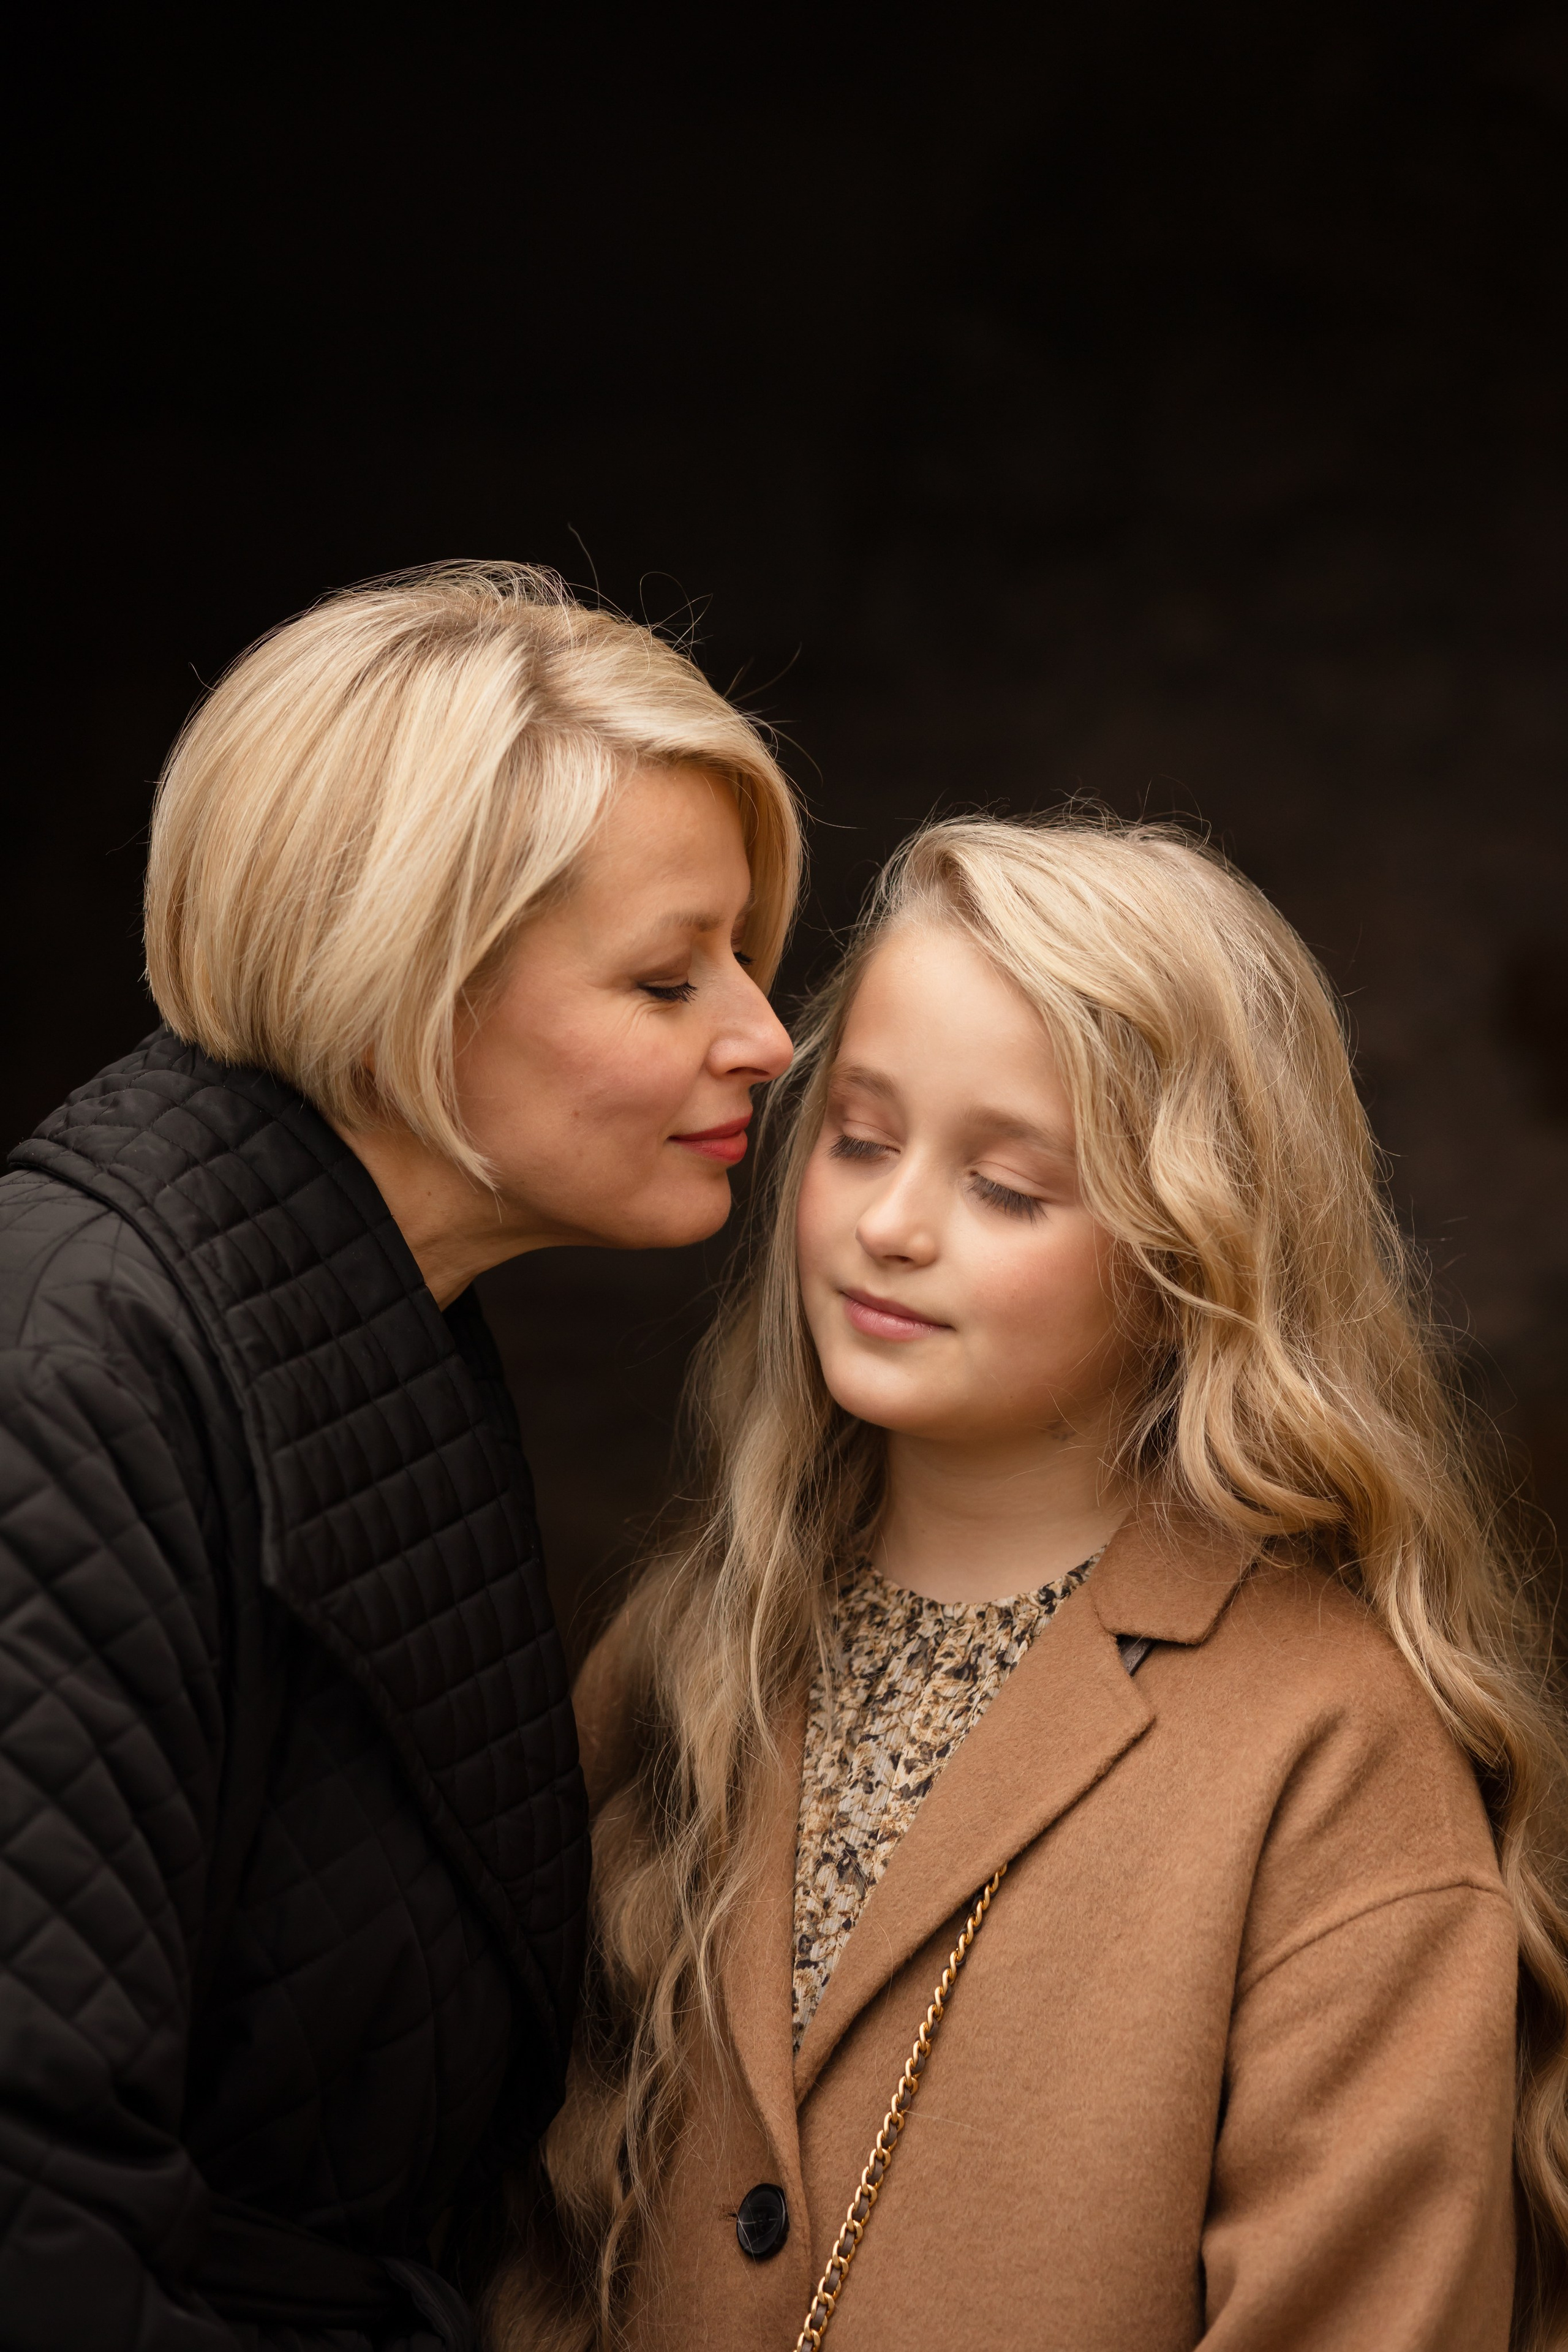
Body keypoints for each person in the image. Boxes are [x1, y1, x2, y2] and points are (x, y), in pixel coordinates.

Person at [492, 814, 1568, 2351]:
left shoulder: (1336, 1757)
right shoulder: (681, 1651)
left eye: (1004, 1187)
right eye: (859, 1140)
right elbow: (524, 2247)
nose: (889, 1226)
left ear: (1188, 1252)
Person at [0, 562, 800, 2352]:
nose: (765, 1034)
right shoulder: (66, 1374)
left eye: (741, 957)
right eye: (668, 977)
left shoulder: (369, 1309)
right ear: (403, 989)